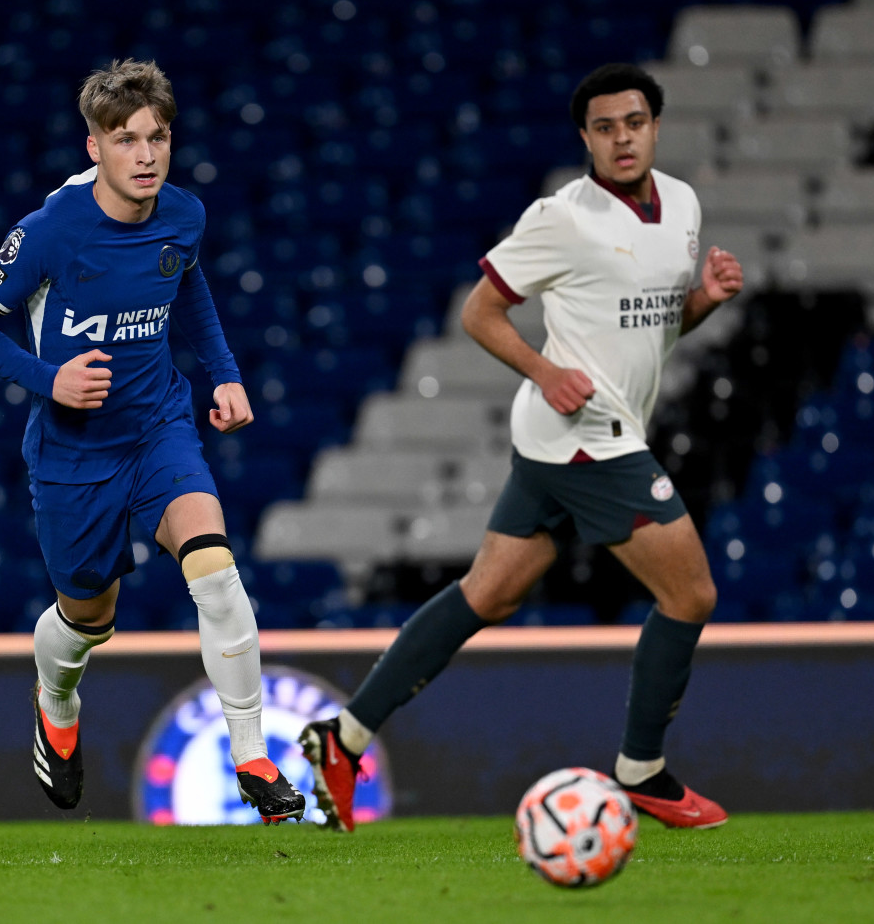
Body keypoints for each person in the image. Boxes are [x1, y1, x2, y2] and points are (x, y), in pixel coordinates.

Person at [300, 63, 744, 832]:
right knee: (691, 593)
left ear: (655, 126)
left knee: (489, 592)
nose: (621, 138)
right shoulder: (561, 216)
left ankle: (343, 737)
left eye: (633, 122)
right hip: (584, 438)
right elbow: (480, 312)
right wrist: (547, 369)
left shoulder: (683, 206)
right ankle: (641, 772)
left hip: (569, 437)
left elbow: (651, 329)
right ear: (586, 138)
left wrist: (700, 301)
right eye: (604, 127)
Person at [0, 58, 305, 824]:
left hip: (158, 427)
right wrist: (49, 380)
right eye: (126, 138)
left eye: (158, 137)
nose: (145, 154)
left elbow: (188, 282)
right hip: (74, 452)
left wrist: (225, 373)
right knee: (86, 620)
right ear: (93, 149)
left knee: (215, 566)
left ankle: (252, 756)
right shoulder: (49, 233)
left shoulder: (183, 214)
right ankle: (56, 700)